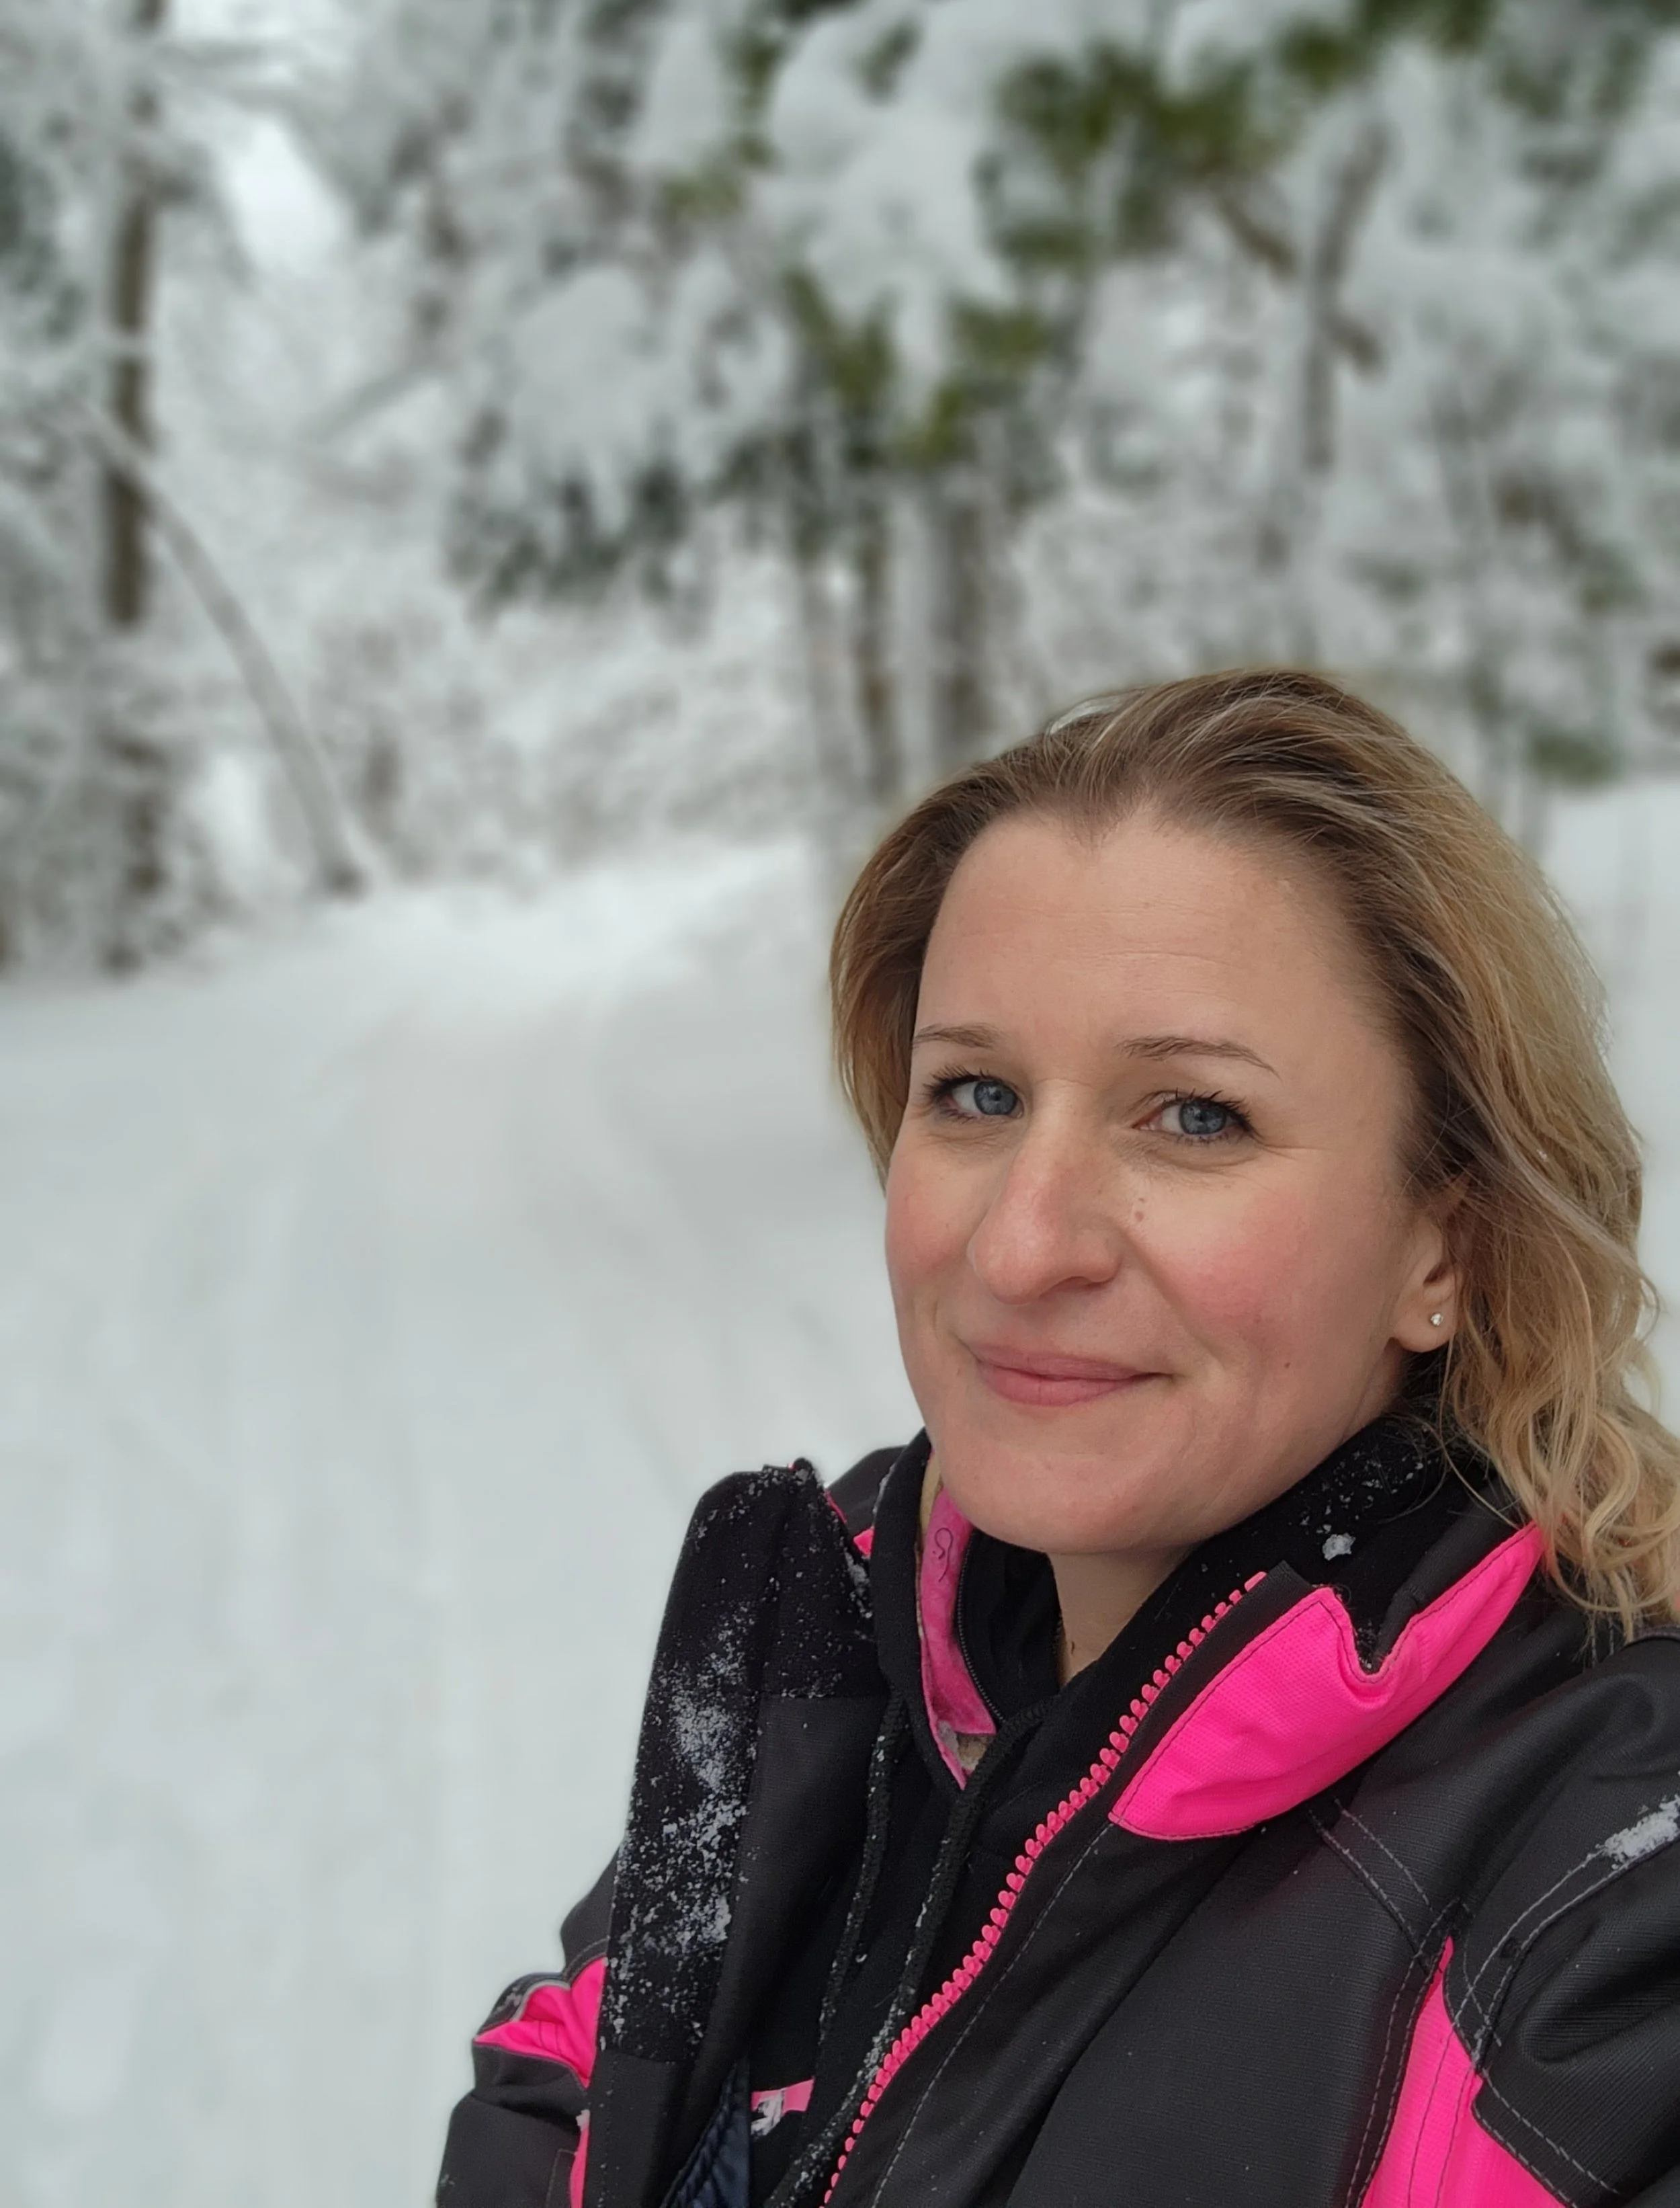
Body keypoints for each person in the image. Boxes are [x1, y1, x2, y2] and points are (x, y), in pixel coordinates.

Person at [436, 669, 1680, 2208]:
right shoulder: (842, 1641)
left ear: (1446, 1243)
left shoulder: (1596, 1913)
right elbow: (573, 2080)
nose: (1021, 1247)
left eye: (1193, 1118)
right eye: (973, 1092)